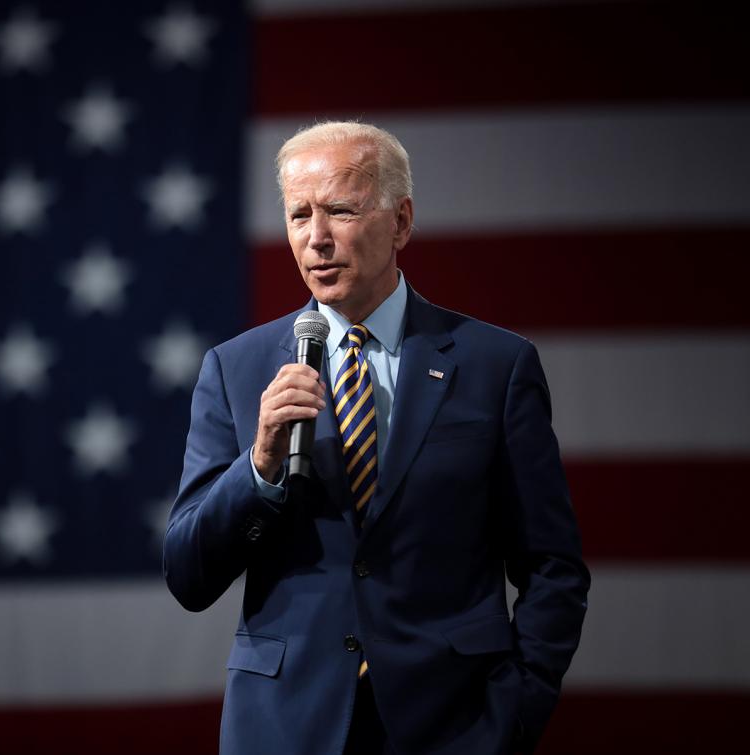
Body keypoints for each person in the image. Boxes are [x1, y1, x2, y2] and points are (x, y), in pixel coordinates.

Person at [163, 121, 589, 755]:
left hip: (454, 726)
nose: (316, 239)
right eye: (298, 214)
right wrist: (259, 467)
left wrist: (515, 713)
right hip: (284, 727)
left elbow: (553, 568)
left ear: (401, 221)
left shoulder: (496, 366)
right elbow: (189, 574)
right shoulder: (236, 367)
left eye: (340, 210)